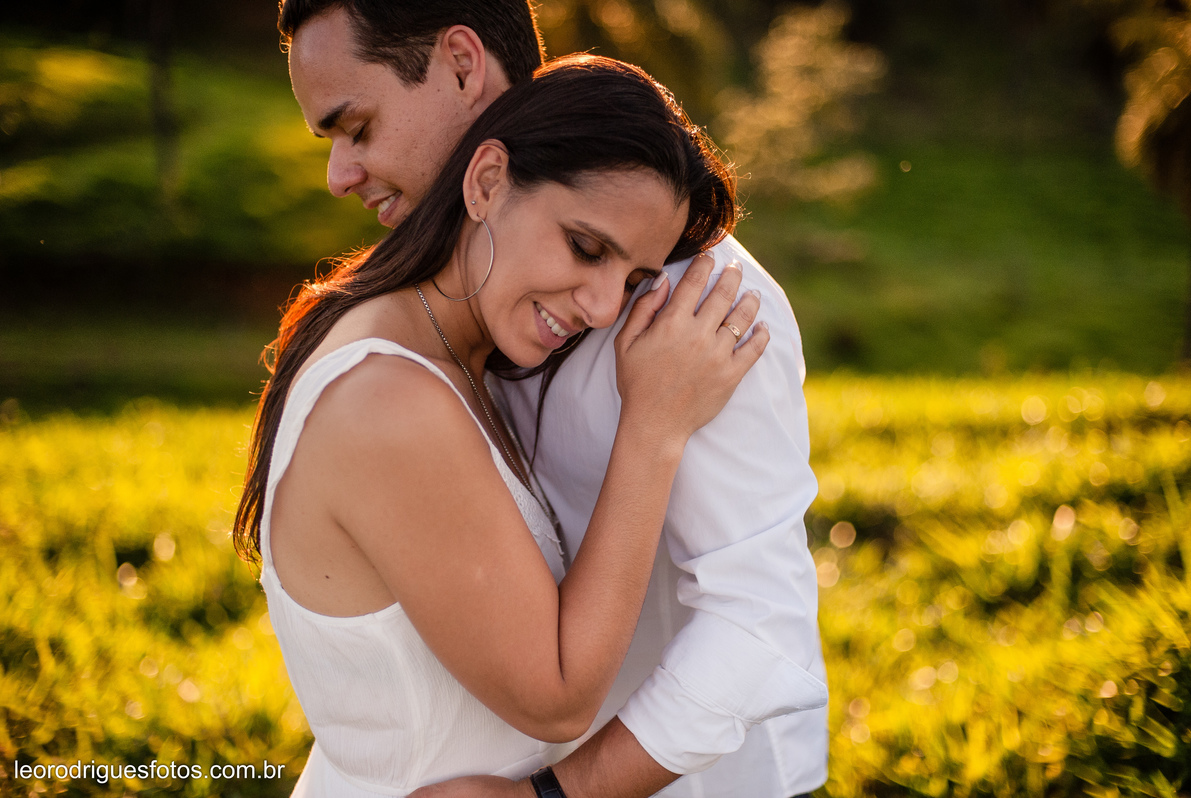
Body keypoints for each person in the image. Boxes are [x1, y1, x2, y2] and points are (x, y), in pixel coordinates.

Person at [280, 2, 830, 797]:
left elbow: (761, 622)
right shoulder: (430, 325)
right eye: (586, 249)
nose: (339, 174)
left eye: (358, 126)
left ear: (463, 66)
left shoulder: (696, 303)